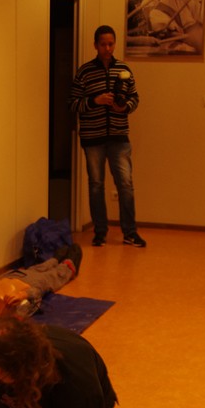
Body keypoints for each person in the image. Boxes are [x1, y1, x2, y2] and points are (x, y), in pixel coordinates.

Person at [69, 25, 146, 248]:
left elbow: (135, 98)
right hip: (92, 138)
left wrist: (125, 107)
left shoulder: (124, 69)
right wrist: (95, 101)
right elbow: (73, 103)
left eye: (111, 44)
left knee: (126, 184)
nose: (108, 48)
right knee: (96, 185)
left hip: (119, 136)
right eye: (103, 44)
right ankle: (100, 232)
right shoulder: (84, 72)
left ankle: (130, 233)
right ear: (96, 45)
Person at [0, 243, 83, 326]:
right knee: (58, 273)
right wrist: (24, 294)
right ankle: (68, 258)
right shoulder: (7, 310)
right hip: (31, 282)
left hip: (14, 275)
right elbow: (36, 295)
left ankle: (56, 258)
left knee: (42, 267)